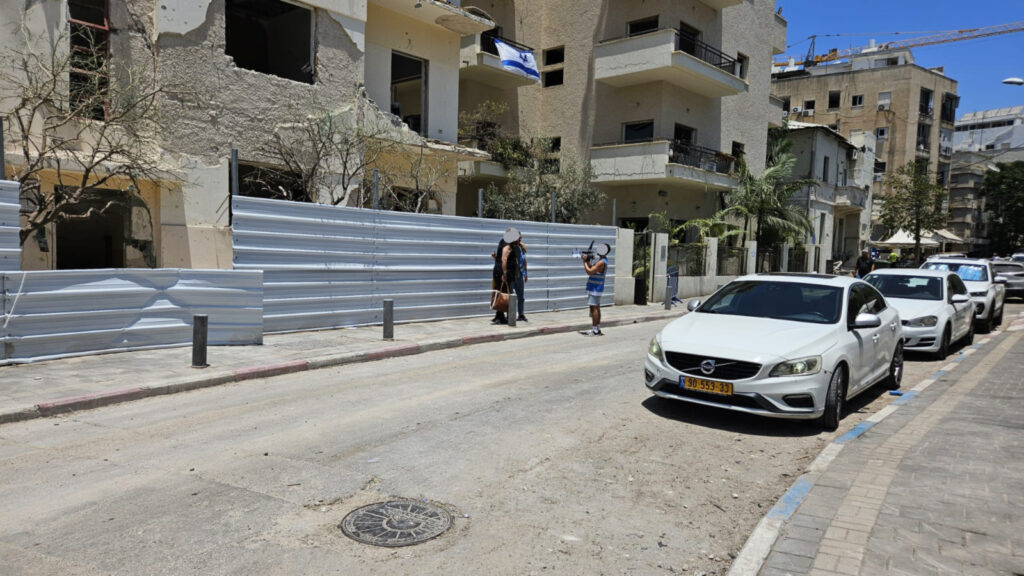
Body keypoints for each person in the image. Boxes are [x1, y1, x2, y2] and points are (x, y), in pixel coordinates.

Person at [581, 243, 610, 336]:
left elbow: (589, 272)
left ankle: (595, 330)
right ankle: (597, 328)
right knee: (596, 307)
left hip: (595, 289)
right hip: (595, 288)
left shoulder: (601, 262)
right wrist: (588, 261)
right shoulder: (602, 260)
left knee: (594, 308)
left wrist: (584, 262)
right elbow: (592, 269)